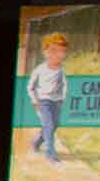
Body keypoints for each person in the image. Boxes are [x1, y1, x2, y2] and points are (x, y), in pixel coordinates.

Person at [28, 31, 69, 162]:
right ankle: (51, 155)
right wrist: (34, 100)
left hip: (56, 101)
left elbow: (64, 85)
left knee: (54, 124)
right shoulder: (40, 69)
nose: (56, 54)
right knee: (49, 126)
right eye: (53, 50)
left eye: (61, 51)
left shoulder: (61, 70)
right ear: (45, 52)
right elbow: (30, 86)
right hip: (43, 101)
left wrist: (62, 98)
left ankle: (37, 141)